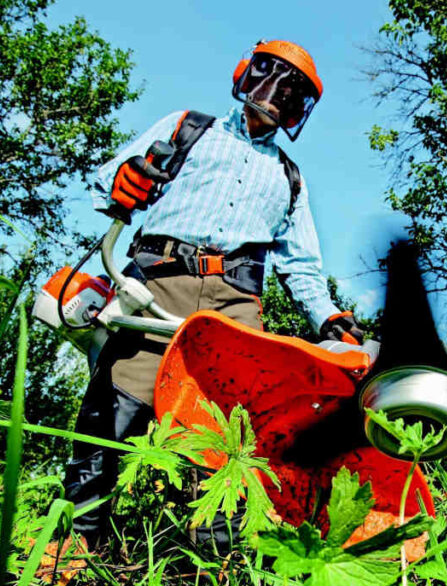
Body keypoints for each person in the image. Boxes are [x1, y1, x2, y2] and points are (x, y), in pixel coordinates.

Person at [63, 39, 363, 546]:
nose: (275, 97)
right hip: (160, 281)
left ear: (300, 110)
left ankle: (209, 567)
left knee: (232, 436)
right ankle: (71, 547)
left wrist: (328, 319)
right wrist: (125, 181)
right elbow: (106, 181)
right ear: (246, 74)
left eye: (292, 94)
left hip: (235, 304)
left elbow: (302, 266)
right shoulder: (189, 128)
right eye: (269, 79)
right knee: (115, 412)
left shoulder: (290, 177)